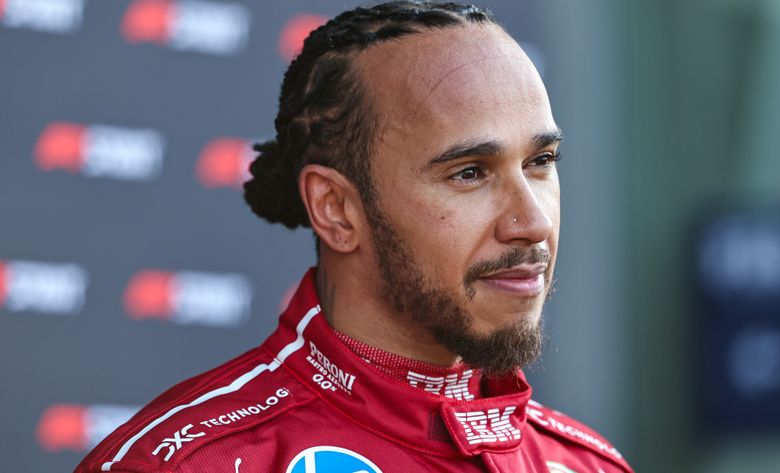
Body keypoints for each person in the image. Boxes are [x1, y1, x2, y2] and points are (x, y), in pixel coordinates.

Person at [75, 2, 633, 472]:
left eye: (540, 161)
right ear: (336, 209)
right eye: (469, 173)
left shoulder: (591, 464)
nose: (532, 222)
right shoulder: (191, 461)